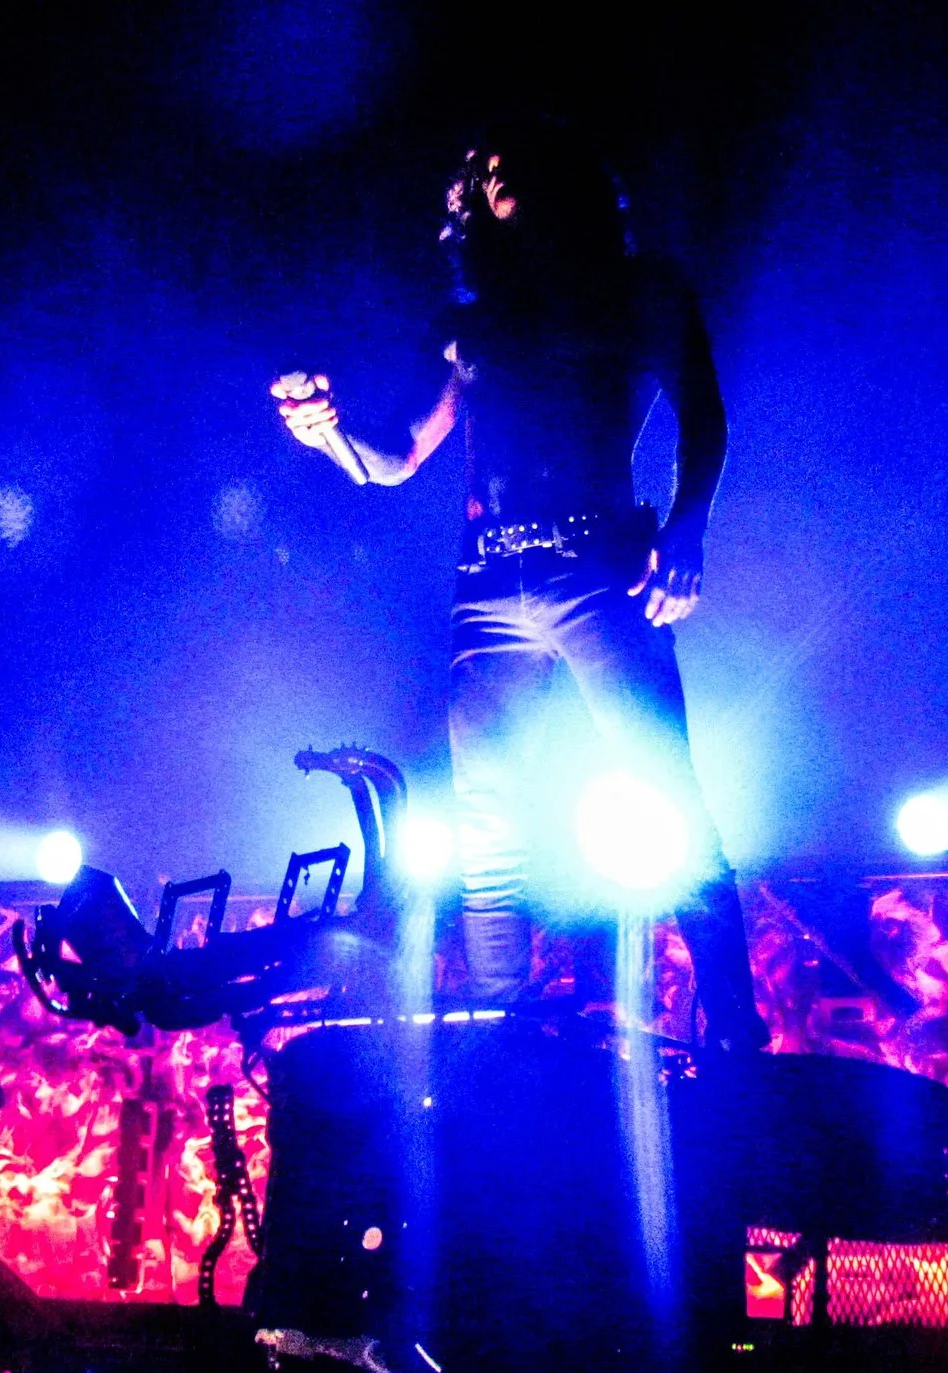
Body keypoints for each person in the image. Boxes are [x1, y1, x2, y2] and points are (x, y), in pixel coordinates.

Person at [272, 121, 766, 1053]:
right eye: (483, 168)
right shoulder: (467, 323)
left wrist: (689, 526)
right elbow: (395, 458)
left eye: (515, 159)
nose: (495, 172)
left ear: (563, 172)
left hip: (603, 572)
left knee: (667, 794)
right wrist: (326, 428)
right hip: (488, 585)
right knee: (487, 829)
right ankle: (503, 1035)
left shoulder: (643, 288)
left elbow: (704, 416)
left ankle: (740, 1037)